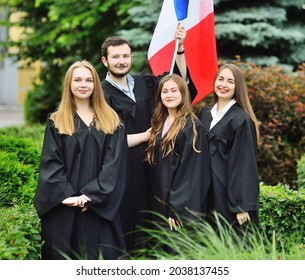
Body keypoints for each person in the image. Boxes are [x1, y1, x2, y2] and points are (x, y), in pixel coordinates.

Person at [100, 23, 197, 252]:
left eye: (125, 55)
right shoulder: (100, 94)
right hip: (124, 169)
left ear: (131, 57)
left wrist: (180, 49)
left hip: (156, 164)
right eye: (115, 57)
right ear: (105, 61)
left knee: (156, 218)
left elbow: (179, 85)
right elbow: (102, 140)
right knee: (128, 224)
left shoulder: (145, 82)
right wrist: (145, 136)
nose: (121, 60)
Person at [34, 60, 128, 260]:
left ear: (96, 84)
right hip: (66, 207)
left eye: (88, 80)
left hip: (100, 209)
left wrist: (91, 196)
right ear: (69, 83)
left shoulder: (112, 121)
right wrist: (66, 196)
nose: (83, 84)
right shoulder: (56, 121)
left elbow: (114, 165)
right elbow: (51, 162)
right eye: (77, 79)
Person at [198, 63, 260, 235]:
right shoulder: (205, 113)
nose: (223, 85)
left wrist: (241, 205)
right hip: (206, 193)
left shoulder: (240, 119)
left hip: (227, 197)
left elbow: (244, 163)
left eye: (230, 81)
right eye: (221, 79)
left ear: (237, 86)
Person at [145, 74, 210, 231]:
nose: (169, 95)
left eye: (174, 90)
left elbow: (191, 173)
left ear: (183, 93)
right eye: (165, 91)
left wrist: (178, 209)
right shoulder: (160, 123)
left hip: (178, 208)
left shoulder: (192, 127)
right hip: (159, 201)